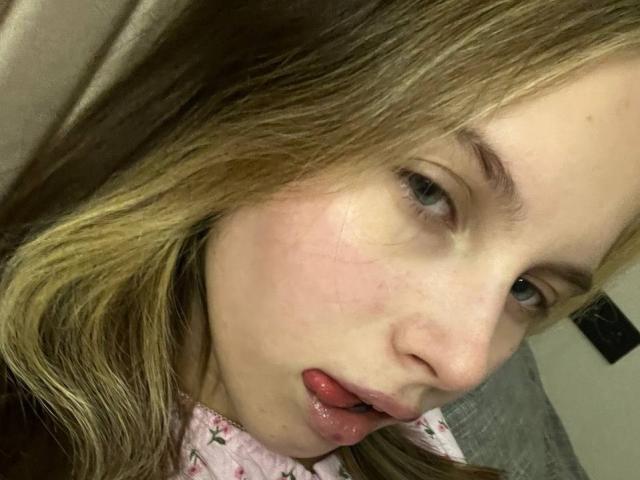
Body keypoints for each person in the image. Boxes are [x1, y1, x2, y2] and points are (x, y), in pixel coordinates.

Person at [1, 1, 639, 479]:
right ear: (264, 95)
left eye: (527, 291)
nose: (464, 364)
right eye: (429, 192)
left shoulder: (416, 442)